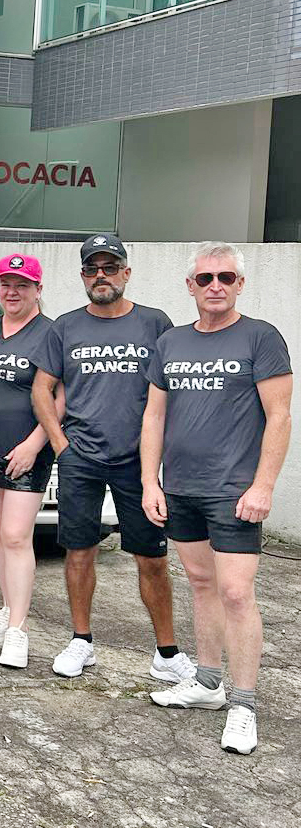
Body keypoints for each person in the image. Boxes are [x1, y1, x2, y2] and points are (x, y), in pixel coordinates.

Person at [142, 242, 292, 755]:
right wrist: (150, 482)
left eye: (226, 277)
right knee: (202, 584)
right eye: (205, 278)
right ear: (190, 286)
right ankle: (208, 683)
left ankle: (244, 705)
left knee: (236, 593)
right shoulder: (171, 342)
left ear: (240, 284)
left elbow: (279, 416)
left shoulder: (261, 337)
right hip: (181, 488)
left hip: (234, 491)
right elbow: (154, 416)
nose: (215, 286)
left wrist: (263, 486)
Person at [32, 233, 194, 682]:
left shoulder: (155, 324)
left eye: (109, 267)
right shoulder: (65, 327)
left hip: (138, 463)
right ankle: (81, 641)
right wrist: (60, 444)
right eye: (92, 268)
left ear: (126, 272)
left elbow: (171, 388)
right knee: (79, 551)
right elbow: (42, 388)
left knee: (152, 559)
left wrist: (161, 458)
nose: (100, 276)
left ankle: (167, 653)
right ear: (83, 276)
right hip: (81, 457)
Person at [0, 255, 57, 669]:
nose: (12, 292)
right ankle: (7, 608)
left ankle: (19, 629)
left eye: (22, 285)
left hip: (25, 451)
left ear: (38, 289)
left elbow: (60, 397)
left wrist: (35, 444)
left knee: (18, 536)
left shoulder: (50, 333)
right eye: (6, 283)